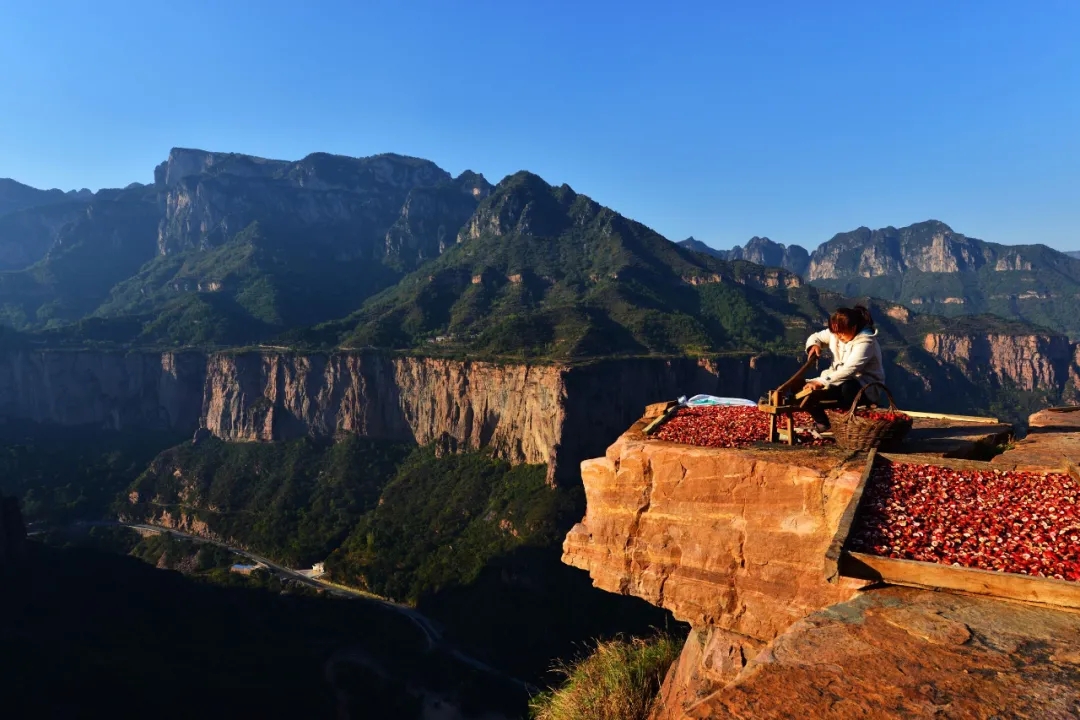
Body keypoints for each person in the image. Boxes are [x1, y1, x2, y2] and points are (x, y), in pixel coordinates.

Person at [802, 305, 885, 432]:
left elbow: (849, 370)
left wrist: (821, 382)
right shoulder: (835, 333)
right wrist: (814, 345)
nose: (838, 336)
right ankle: (822, 423)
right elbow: (816, 336)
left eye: (841, 332)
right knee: (803, 390)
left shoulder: (866, 342)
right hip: (835, 380)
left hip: (864, 386)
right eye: (835, 332)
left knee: (848, 387)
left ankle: (846, 423)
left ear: (854, 327)